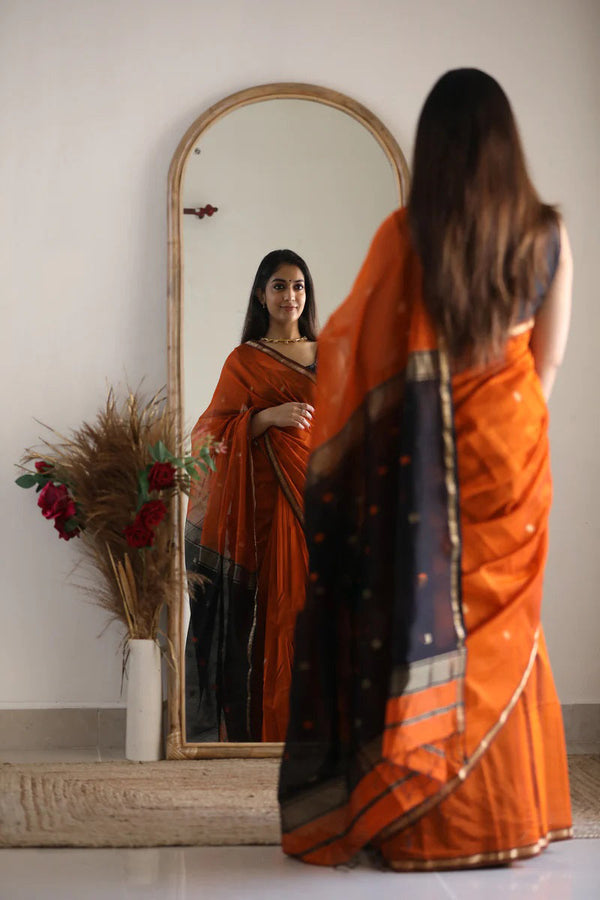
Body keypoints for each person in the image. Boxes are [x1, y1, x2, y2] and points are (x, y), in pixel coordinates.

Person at [279, 69, 573, 870]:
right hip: (513, 447)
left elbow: (346, 345)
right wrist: (503, 419)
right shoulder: (546, 232)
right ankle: (511, 816)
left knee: (424, 624)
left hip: (428, 458)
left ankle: (419, 814)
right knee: (506, 627)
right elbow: (547, 366)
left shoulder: (407, 234)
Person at [185, 249, 317, 743]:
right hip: (259, 515)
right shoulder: (244, 361)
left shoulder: (330, 353)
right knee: (273, 615)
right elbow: (208, 435)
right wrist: (265, 419)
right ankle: (261, 730)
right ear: (261, 294)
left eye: (298, 286)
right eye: (279, 286)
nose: (290, 296)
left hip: (319, 502)